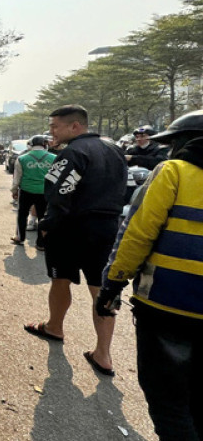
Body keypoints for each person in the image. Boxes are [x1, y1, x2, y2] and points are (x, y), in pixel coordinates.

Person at [96, 110, 203, 440]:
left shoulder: (174, 172)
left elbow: (137, 233)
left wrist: (112, 283)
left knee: (168, 400)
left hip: (170, 304)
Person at [23, 105, 127, 376]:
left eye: (55, 126)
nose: (51, 132)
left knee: (60, 279)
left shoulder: (73, 153)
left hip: (70, 229)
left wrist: (47, 226)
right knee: (102, 289)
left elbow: (59, 194)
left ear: (75, 126)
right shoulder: (115, 150)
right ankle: (103, 354)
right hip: (106, 230)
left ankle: (54, 326)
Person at [10, 135, 54, 249]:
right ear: (45, 145)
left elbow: (17, 178)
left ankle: (20, 238)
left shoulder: (22, 158)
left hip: (26, 191)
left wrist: (14, 191)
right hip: (44, 192)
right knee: (42, 217)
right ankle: (41, 243)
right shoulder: (54, 158)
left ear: (31, 145)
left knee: (22, 215)